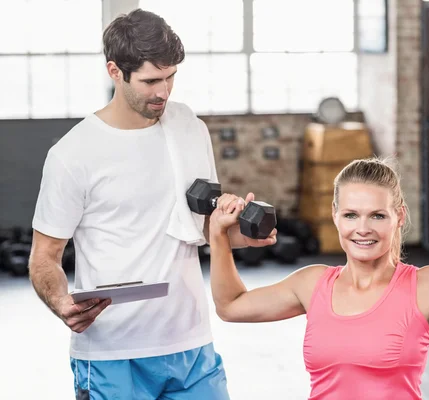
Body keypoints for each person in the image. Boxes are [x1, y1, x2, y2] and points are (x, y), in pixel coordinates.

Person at [28, 8, 275, 399]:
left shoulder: (189, 128)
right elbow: (44, 256)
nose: (163, 91)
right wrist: (60, 302)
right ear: (115, 71)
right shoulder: (72, 154)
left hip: (191, 346)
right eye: (150, 81)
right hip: (113, 352)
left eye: (171, 76)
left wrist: (243, 236)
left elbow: (205, 229)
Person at [208, 156, 429, 400]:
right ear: (335, 215)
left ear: (399, 216)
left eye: (377, 216)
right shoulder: (312, 283)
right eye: (351, 215)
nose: (362, 229)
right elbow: (231, 306)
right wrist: (218, 235)